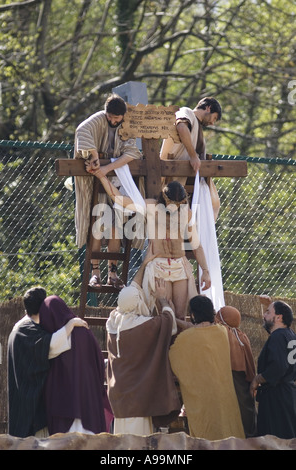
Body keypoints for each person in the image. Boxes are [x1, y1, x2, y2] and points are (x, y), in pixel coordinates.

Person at [89, 167, 211, 320]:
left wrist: (205, 270)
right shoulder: (152, 207)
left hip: (180, 266)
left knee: (180, 315)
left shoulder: (186, 213)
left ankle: (178, 344)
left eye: (178, 204)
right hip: (159, 265)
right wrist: (102, 176)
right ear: (164, 198)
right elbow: (121, 200)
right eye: (171, 203)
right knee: (166, 316)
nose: (174, 207)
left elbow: (196, 245)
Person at [106, 242, 181, 435]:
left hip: (119, 398)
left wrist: (145, 262)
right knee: (138, 444)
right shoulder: (143, 325)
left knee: (120, 444)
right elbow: (169, 323)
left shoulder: (113, 322)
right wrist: (163, 298)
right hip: (137, 400)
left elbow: (131, 291)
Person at [74, 93, 143, 289]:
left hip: (116, 184)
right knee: (96, 225)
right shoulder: (98, 119)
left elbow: (132, 152)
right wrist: (95, 156)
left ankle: (112, 274)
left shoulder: (126, 125)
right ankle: (95, 273)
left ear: (123, 116)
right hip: (93, 182)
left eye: (116, 118)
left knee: (116, 227)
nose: (112, 120)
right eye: (110, 116)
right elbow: (82, 131)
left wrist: (106, 168)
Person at [7, 286, 89, 438]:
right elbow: (50, 346)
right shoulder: (26, 329)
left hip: (25, 402)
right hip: (30, 408)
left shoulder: (22, 327)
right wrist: (70, 325)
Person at [169, 295, 245, 440]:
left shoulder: (184, 339)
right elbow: (201, 332)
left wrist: (171, 317)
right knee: (229, 434)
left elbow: (174, 362)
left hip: (202, 402)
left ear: (192, 314)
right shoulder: (222, 332)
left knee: (206, 439)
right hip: (225, 398)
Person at [39, 295, 111, 435]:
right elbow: (98, 361)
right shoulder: (83, 330)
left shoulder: (56, 338)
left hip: (64, 408)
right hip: (89, 402)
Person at [250, 295, 296, 439]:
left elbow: (278, 367)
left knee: (275, 440)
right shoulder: (290, 335)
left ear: (278, 318)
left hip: (276, 399)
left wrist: (257, 380)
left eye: (268, 312)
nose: (264, 315)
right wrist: (270, 306)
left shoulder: (278, 337)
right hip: (288, 395)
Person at [215, 305, 257, 437]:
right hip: (245, 380)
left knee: (238, 409)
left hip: (233, 377)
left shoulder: (223, 333)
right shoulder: (241, 335)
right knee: (246, 407)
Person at [160, 96, 222, 179]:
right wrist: (193, 156)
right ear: (208, 108)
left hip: (187, 178)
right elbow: (181, 127)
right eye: (214, 118)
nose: (212, 123)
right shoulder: (187, 112)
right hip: (169, 173)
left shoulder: (197, 126)